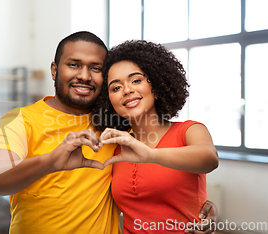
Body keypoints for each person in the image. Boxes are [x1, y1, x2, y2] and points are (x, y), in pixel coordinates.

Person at [0, 32, 216, 234]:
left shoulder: (116, 124)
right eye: (74, 64)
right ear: (54, 69)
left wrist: (199, 208)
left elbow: (173, 168)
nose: (84, 75)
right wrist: (51, 161)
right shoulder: (17, 120)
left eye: (95, 68)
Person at [92, 40, 219, 233]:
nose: (126, 90)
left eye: (136, 80)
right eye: (116, 88)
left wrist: (151, 155)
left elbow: (209, 159)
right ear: (109, 102)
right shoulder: (115, 149)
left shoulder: (189, 131)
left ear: (157, 87)